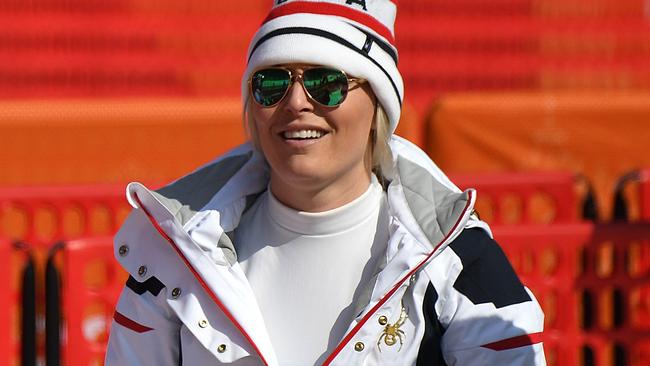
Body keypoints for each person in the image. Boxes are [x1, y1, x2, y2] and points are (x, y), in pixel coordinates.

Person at [105, 1, 546, 365]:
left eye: (326, 82)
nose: (296, 102)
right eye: (272, 83)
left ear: (378, 105)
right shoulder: (170, 258)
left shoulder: (461, 265)